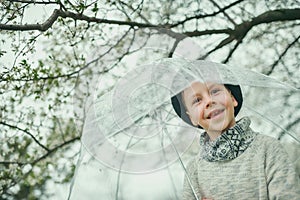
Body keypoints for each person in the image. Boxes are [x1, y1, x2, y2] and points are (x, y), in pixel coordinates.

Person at [171, 78, 300, 199]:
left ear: (232, 98)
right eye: (197, 100)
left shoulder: (268, 150)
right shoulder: (194, 171)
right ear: (191, 117)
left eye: (215, 91)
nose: (209, 101)